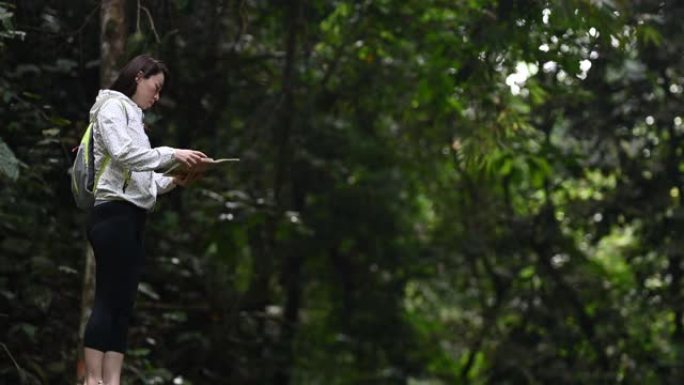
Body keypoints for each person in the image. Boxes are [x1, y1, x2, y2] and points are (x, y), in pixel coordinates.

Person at [81, 54, 205, 385]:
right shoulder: (111, 107)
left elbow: (143, 182)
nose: (157, 95)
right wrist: (171, 154)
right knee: (108, 297)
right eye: (156, 86)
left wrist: (175, 179)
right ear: (139, 76)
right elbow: (123, 154)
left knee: (124, 303)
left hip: (134, 216)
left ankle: (113, 379)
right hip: (112, 213)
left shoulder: (136, 120)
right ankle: (93, 380)